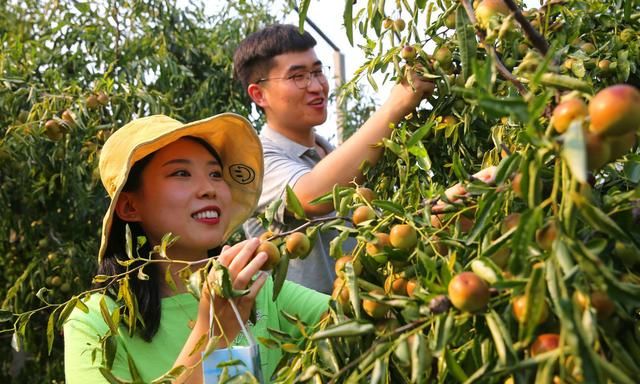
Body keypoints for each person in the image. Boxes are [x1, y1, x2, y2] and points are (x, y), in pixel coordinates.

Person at [63, 113, 329, 383]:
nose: (209, 189)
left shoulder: (259, 290)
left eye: (215, 174)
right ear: (130, 207)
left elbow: (358, 324)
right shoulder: (96, 322)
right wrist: (212, 331)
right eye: (181, 173)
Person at [234, 24, 436, 294]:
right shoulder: (255, 160)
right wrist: (395, 105)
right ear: (259, 94)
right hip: (304, 332)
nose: (317, 86)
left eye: (318, 72)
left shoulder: (336, 158)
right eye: (298, 77)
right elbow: (310, 196)